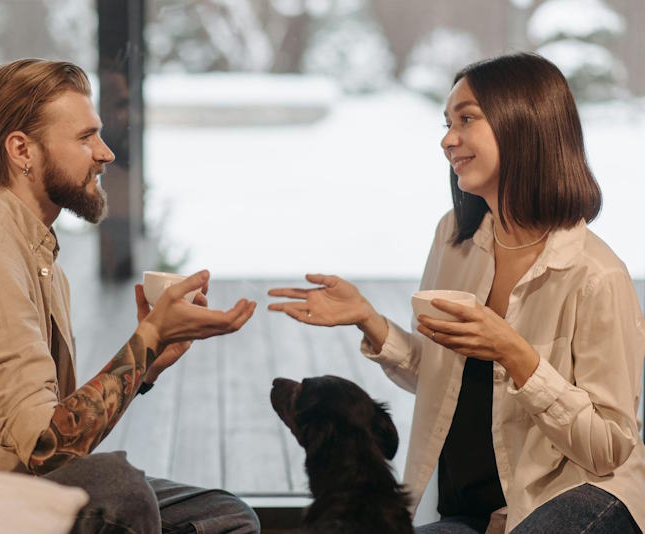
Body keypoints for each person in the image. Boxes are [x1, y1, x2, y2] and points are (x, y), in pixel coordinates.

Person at [0, 58, 260, 534]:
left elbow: (55, 435)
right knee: (118, 490)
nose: (105, 152)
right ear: (21, 150)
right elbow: (47, 447)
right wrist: (149, 336)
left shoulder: (34, 252)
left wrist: (147, 361)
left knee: (225, 516)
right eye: (86, 137)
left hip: (11, 492)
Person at [267, 53, 645, 534]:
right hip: (471, 510)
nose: (448, 139)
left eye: (466, 119)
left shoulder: (597, 275)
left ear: (523, 124)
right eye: (447, 123)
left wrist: (515, 354)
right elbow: (443, 377)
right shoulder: (456, 239)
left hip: (578, 496)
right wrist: (369, 320)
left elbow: (609, 448)